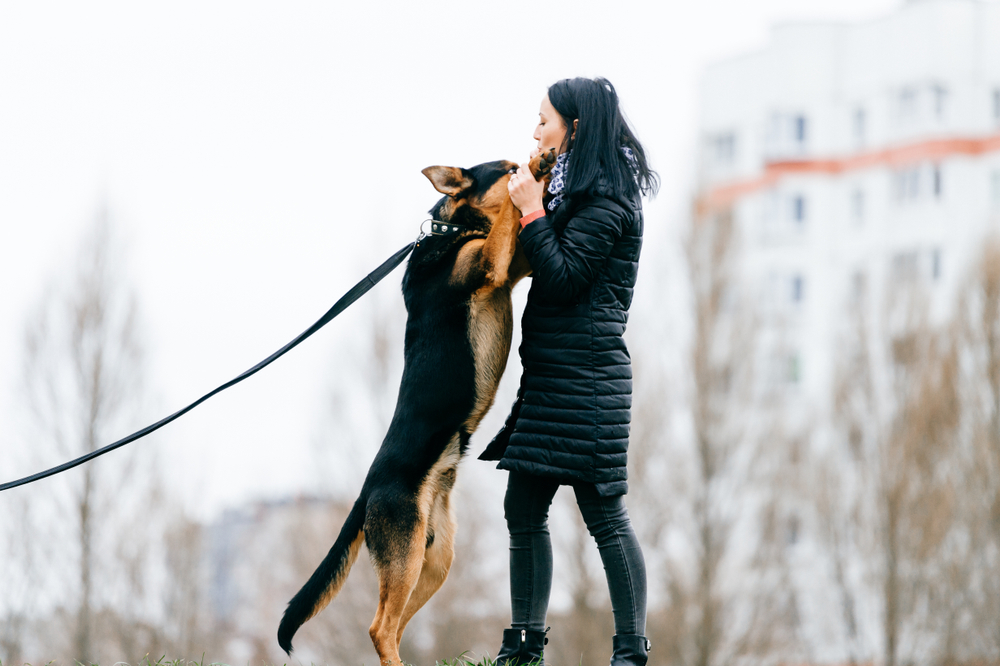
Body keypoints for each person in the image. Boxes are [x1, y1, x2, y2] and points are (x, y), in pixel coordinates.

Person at [479, 77, 658, 666]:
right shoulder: (576, 191)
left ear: (575, 127)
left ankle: (631, 653)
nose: (535, 132)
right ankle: (524, 645)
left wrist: (532, 209)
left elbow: (563, 278)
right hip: (554, 379)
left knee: (604, 513)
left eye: (544, 121)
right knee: (523, 508)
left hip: (588, 383)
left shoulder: (607, 198)